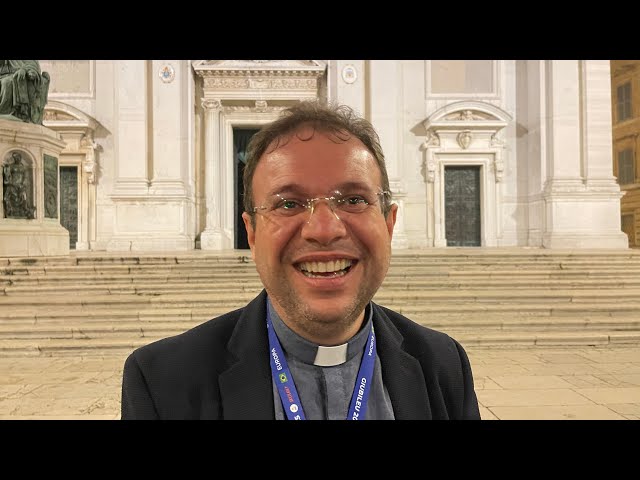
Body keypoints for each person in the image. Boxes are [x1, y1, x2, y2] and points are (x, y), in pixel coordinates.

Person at [120, 101, 481, 420]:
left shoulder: (444, 366)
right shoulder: (162, 382)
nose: (323, 230)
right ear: (253, 232)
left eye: (353, 200)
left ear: (389, 224)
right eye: (288, 204)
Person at [0, 60, 50, 124]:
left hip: (14, 77)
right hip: (2, 76)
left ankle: (6, 111)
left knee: (6, 83)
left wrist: (24, 70)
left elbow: (33, 65)